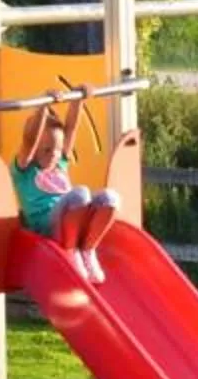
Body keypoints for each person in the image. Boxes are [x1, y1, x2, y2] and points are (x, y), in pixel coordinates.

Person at [12, 94, 120, 282]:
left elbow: (70, 130)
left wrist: (78, 100)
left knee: (110, 199)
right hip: (47, 226)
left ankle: (87, 250)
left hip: (72, 221)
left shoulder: (60, 163)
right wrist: (43, 109)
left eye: (57, 149)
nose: (55, 155)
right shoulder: (25, 170)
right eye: (47, 150)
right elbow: (29, 142)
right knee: (80, 194)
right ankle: (70, 252)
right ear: (35, 149)